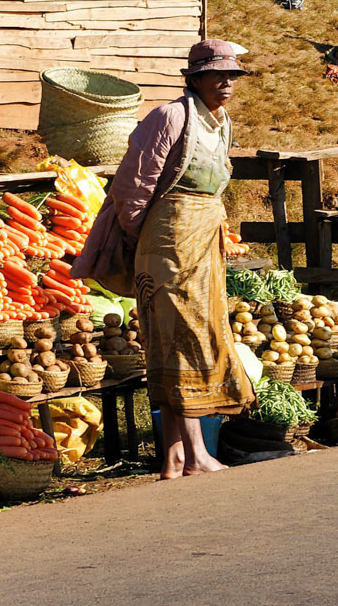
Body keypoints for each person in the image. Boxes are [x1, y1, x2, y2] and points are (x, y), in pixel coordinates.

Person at [74, 40, 255, 478]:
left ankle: (175, 455)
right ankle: (195, 455)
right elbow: (131, 187)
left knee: (186, 336)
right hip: (169, 244)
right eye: (217, 75)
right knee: (181, 338)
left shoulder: (220, 121)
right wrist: (149, 237)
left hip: (202, 241)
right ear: (194, 79)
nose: (227, 82)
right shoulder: (170, 116)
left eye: (232, 75)